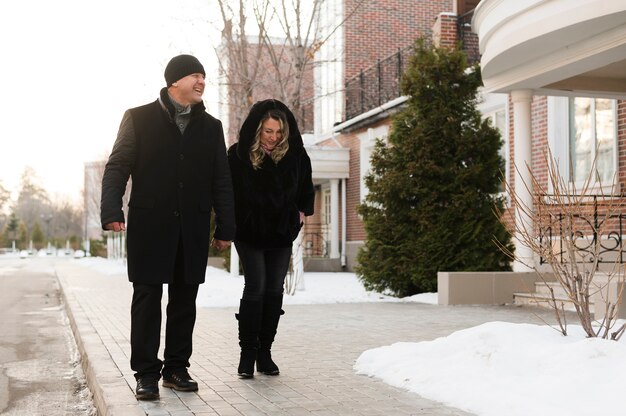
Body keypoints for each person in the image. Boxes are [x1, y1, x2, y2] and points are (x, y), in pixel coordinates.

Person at [100, 54, 235, 400]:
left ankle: (176, 368)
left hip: (191, 226)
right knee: (147, 297)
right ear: (174, 81)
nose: (202, 82)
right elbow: (118, 166)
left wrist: (225, 226)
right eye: (195, 76)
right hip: (149, 224)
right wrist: (111, 208)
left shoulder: (211, 127)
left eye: (204, 77)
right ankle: (145, 373)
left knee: (184, 298)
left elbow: (221, 179)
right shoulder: (138, 118)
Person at [228, 99, 315, 378]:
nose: (274, 137)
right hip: (249, 232)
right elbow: (226, 194)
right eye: (268, 131)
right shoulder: (237, 156)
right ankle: (247, 354)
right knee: (256, 286)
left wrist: (298, 217)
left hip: (280, 233)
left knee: (274, 290)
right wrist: (229, 224)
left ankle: (265, 352)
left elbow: (305, 191)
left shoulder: (296, 156)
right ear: (257, 129)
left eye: (278, 132)